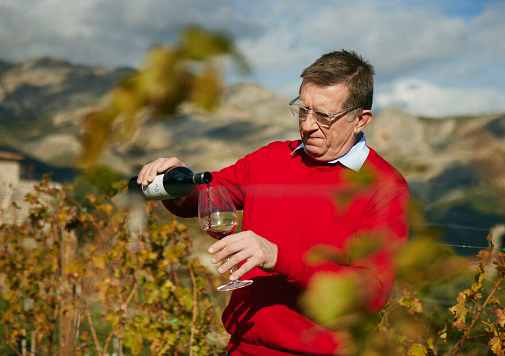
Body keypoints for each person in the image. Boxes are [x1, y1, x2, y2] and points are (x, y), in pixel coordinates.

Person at [136, 50, 409, 355]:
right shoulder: (272, 158)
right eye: (302, 110)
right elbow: (210, 194)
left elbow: (371, 292)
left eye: (323, 116)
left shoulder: (385, 187)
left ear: (360, 119)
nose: (307, 126)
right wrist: (178, 181)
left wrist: (277, 257)